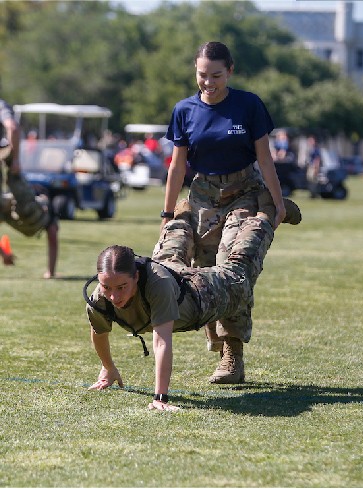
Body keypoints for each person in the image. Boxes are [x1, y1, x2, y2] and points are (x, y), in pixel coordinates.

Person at [86, 192, 296, 411]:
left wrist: (160, 398)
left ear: (136, 277)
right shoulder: (100, 297)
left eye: (122, 288)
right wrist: (108, 367)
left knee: (238, 271)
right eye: (107, 287)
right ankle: (183, 216)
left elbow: (161, 342)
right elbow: (99, 330)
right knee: (169, 252)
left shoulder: (158, 286)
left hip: (200, 294)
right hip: (167, 269)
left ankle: (267, 213)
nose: (114, 296)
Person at [162, 41, 288, 382]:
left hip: (244, 193)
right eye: (203, 75)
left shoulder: (248, 105)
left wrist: (278, 203)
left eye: (216, 75)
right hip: (202, 195)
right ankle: (216, 337)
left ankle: (233, 358)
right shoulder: (184, 110)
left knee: (233, 266)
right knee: (202, 271)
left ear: (229, 72)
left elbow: (265, 158)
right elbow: (177, 166)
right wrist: (167, 212)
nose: (209, 82)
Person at [0, 97, 59, 279]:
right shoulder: (2, 106)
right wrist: (16, 159)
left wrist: (4, 254)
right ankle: (51, 272)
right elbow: (13, 128)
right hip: (30, 213)